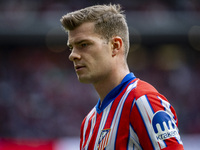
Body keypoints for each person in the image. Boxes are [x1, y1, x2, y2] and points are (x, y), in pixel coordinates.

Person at [60, 4, 184, 150]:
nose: (72, 55)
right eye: (71, 47)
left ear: (115, 46)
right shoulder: (88, 122)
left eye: (84, 44)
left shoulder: (143, 102)